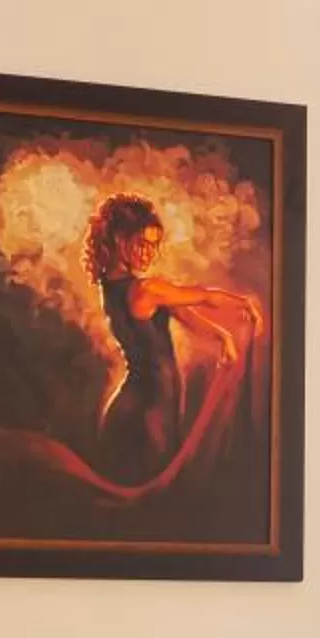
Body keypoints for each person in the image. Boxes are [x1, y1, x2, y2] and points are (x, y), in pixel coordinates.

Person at [83, 193, 261, 487]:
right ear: (118, 239)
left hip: (135, 405)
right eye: (142, 243)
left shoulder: (114, 286)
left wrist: (222, 336)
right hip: (150, 410)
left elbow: (183, 314)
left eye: (154, 245)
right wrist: (244, 303)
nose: (149, 253)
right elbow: (204, 296)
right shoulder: (146, 289)